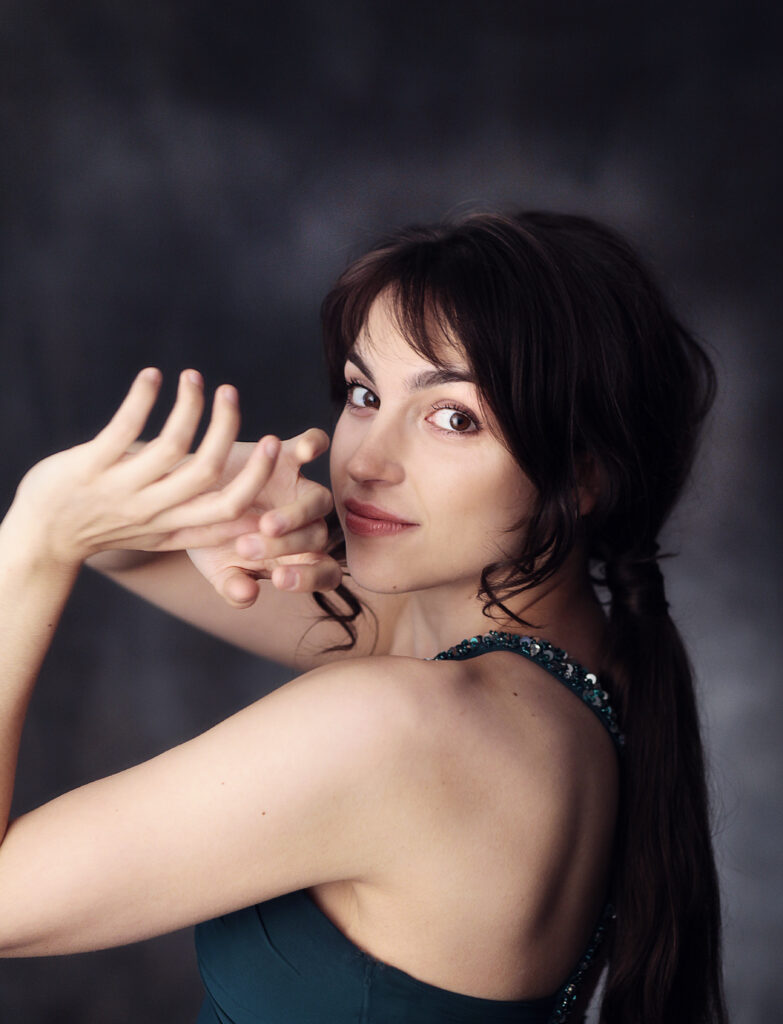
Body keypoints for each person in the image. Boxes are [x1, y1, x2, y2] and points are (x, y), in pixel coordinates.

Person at [0, 211, 726, 1024]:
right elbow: (113, 540)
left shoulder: (401, 728)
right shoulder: (569, 666)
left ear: (583, 477)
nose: (367, 461)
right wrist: (227, 495)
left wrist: (32, 541)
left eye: (454, 417)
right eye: (363, 394)